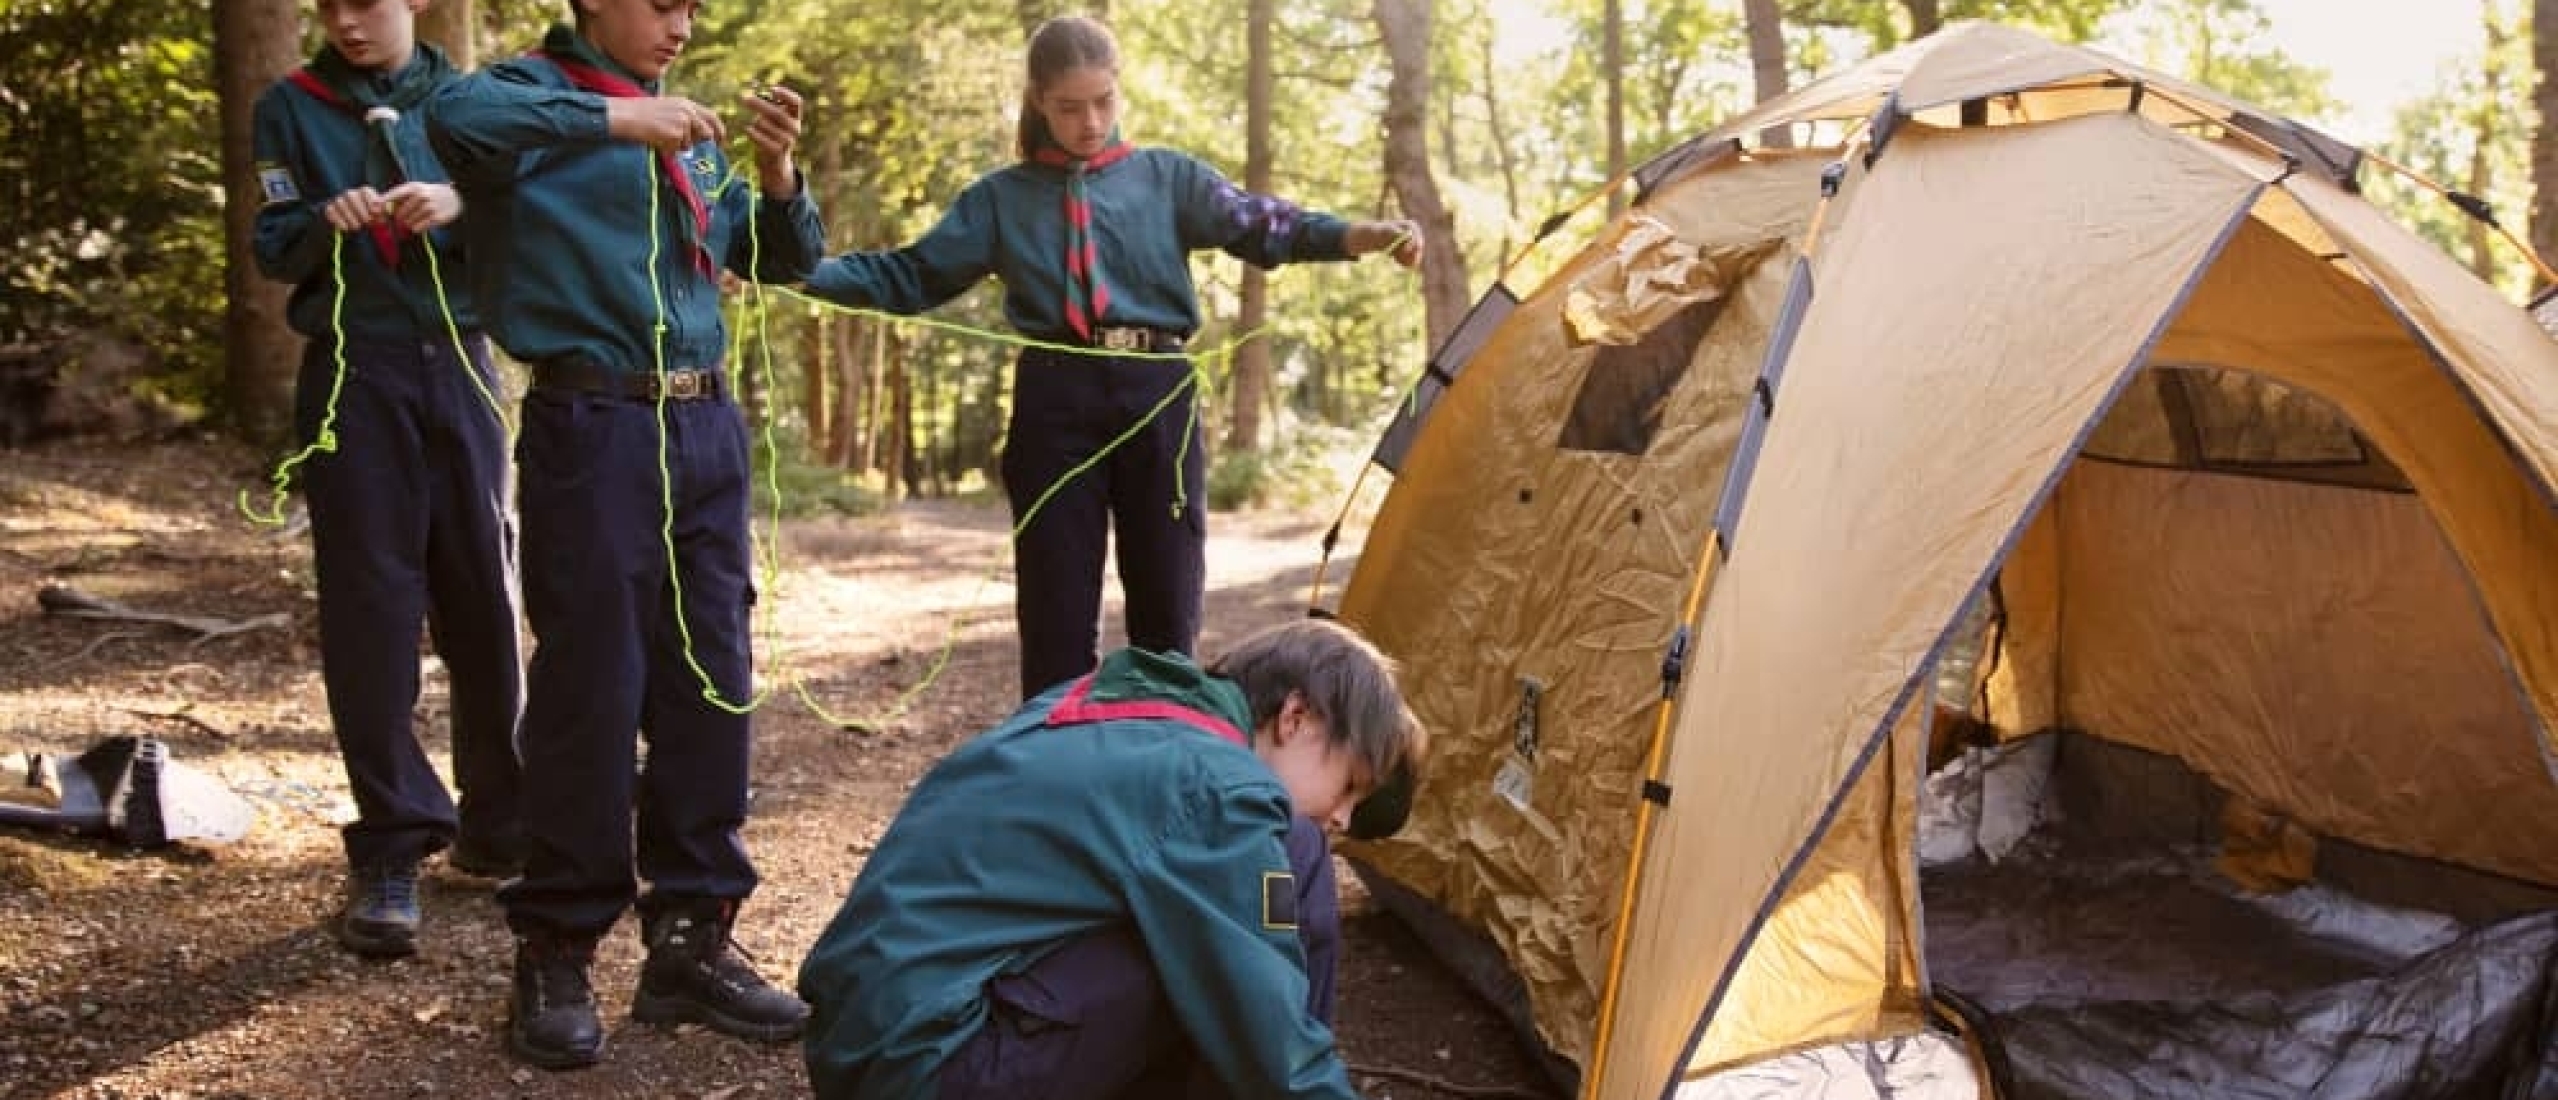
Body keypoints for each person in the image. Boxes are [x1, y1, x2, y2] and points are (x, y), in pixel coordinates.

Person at [799, 15, 1425, 702]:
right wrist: (797, 270)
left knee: (1168, 609)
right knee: (1055, 614)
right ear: (1039, 100)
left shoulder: (1168, 178)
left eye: (1103, 101)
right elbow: (906, 276)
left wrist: (1358, 235)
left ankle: (1162, 769)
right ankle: (1058, 772)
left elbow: (1261, 223)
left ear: (1119, 90)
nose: (1090, 121)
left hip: (1159, 397)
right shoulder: (999, 201)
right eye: (1070, 107)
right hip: (1054, 401)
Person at [424, 0, 824, 1070]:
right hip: (590, 422)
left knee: (712, 675)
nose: (682, 26)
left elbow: (777, 255)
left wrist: (779, 179)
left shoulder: (680, 125)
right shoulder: (525, 99)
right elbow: (453, 119)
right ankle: (556, 942)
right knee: (590, 686)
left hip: (705, 424)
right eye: (662, 3)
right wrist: (610, 126)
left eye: (694, 7)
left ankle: (692, 939)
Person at [797, 617, 1431, 1100]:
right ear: (1297, 717)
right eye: (1350, 784)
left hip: (869, 1045)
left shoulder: (1115, 708)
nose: (1343, 817)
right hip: (938, 1062)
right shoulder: (1217, 783)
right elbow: (1265, 1028)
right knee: (1297, 852)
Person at [250, 0, 523, 961]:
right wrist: (326, 221)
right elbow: (270, 241)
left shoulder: (474, 101)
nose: (348, 21)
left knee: (484, 589)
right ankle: (395, 839)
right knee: (370, 603)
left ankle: (502, 823)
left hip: (461, 360)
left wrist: (459, 205)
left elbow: (529, 225)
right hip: (353, 369)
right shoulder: (292, 105)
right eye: (329, 4)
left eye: (368, 1)